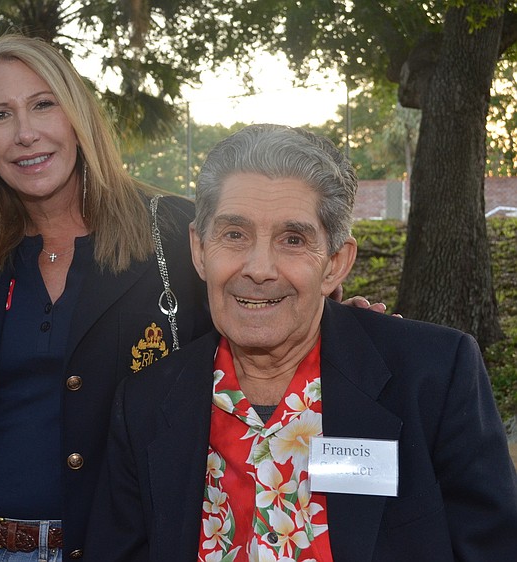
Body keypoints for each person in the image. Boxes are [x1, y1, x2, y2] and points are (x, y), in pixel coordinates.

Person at [84, 124, 517, 561]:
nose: (259, 268)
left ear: (334, 264)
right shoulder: (144, 405)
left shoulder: (433, 378)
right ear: (199, 249)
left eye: (293, 240)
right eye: (235, 234)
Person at [0, 34, 214, 561]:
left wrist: (330, 326)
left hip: (117, 546)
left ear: (77, 116)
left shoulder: (175, 230)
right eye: (0, 115)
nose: (26, 134)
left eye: (42, 104)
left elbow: (256, 333)